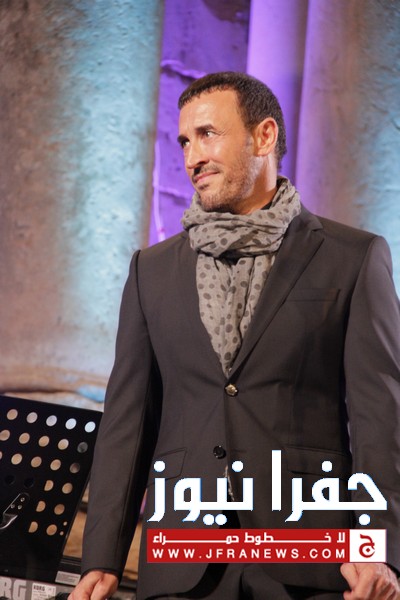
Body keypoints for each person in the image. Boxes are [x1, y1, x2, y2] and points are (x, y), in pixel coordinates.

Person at [70, 72, 400, 600]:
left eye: (207, 134)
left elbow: (380, 420)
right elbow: (127, 422)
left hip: (308, 559)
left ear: (263, 136)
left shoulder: (353, 257)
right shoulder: (151, 270)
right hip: (183, 560)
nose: (192, 157)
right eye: (185, 141)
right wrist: (102, 558)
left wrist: (378, 548)